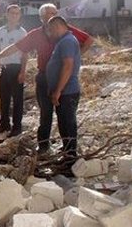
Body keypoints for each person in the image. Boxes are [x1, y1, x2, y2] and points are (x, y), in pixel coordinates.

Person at [0, 3, 94, 155]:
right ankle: (43, 145)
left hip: (63, 78)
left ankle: (69, 151)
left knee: (65, 116)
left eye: (55, 13)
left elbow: (88, 40)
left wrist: (74, 57)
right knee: (45, 113)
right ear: (42, 18)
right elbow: (17, 47)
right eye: (50, 14)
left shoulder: (64, 31)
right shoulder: (36, 34)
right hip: (44, 77)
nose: (53, 16)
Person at [46, 16, 82, 168]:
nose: (50, 33)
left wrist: (58, 90)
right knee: (63, 123)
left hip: (67, 92)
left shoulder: (67, 41)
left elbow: (68, 66)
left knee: (68, 124)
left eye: (51, 29)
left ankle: (70, 159)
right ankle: (67, 152)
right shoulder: (63, 41)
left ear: (58, 26)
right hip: (64, 92)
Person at [0, 5, 28, 137]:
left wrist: (23, 71)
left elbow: (25, 53)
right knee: (4, 98)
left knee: (17, 99)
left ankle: (17, 127)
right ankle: (4, 124)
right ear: (7, 15)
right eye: (12, 13)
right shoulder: (1, 30)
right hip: (4, 68)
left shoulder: (22, 33)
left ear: (19, 16)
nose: (14, 16)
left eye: (17, 14)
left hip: (16, 68)